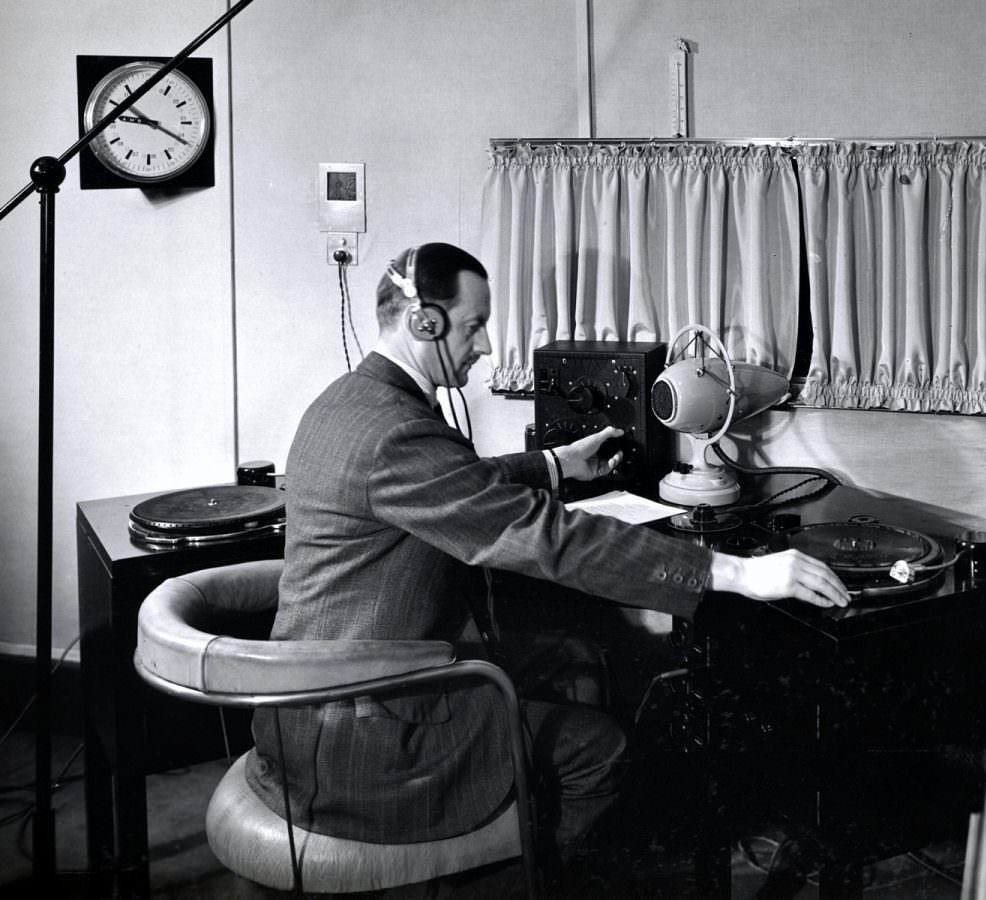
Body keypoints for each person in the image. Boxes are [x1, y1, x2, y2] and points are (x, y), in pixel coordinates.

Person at [244, 242, 848, 878]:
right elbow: (546, 536)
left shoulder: (348, 402)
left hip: (307, 714)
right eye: (474, 326)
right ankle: (531, 880)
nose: (482, 347)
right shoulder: (398, 432)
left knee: (576, 654)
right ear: (426, 322)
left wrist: (555, 464)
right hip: (365, 743)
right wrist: (736, 572)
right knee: (603, 750)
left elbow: (449, 481)